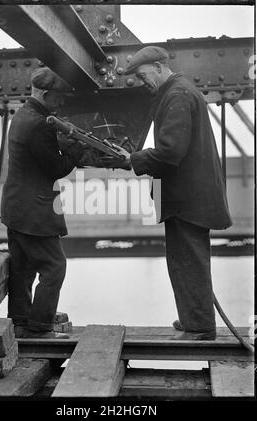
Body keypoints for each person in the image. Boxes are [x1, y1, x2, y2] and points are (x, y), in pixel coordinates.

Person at [101, 46, 232, 340]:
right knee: (185, 261)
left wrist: (131, 160)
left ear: (159, 67)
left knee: (189, 261)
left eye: (143, 75)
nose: (141, 81)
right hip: (186, 198)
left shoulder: (177, 95)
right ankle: (193, 320)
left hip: (187, 199)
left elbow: (171, 151)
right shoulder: (177, 92)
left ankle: (199, 328)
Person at [1, 67, 84, 339]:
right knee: (54, 267)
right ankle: (40, 327)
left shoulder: (23, 115)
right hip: (35, 211)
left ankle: (21, 321)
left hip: (15, 207)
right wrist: (75, 148)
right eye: (58, 98)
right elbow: (56, 168)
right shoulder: (40, 124)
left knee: (22, 268)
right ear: (46, 94)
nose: (60, 103)